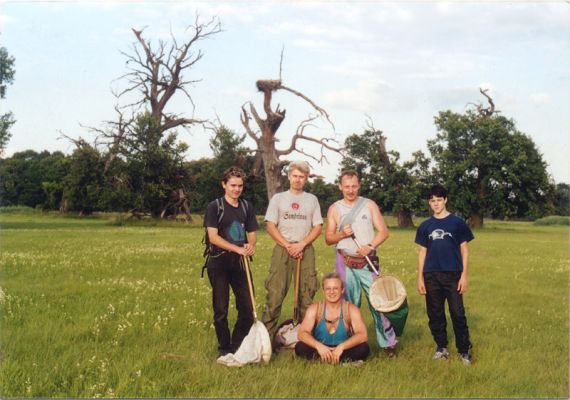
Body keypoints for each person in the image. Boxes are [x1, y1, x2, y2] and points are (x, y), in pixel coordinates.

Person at [324, 170, 398, 357]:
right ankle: (347, 344)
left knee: (379, 303)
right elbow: (328, 238)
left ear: (359, 186)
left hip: (367, 262)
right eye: (346, 186)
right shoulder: (334, 208)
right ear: (340, 187)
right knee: (347, 305)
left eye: (354, 186)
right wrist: (342, 234)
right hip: (345, 262)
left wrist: (370, 245)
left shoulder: (369, 205)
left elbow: (383, 232)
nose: (350, 190)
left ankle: (388, 344)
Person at [261, 161, 323, 339]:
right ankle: (266, 341)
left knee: (307, 294)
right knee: (275, 295)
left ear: (306, 179)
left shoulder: (312, 200)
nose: (297, 180)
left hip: (305, 249)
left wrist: (302, 244)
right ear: (289, 176)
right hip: (283, 248)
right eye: (295, 176)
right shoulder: (278, 199)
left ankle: (305, 341)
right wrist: (288, 245)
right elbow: (270, 225)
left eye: (301, 177)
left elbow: (318, 226)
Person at [415, 184, 474, 365]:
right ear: (429, 203)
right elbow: (422, 252)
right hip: (431, 275)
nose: (436, 204)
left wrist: (464, 275)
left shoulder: (457, 223)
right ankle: (441, 348)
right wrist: (420, 278)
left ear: (445, 200)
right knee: (435, 314)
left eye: (439, 200)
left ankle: (464, 351)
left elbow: (464, 250)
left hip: (453, 275)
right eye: (432, 201)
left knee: (457, 313)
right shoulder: (425, 226)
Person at [204, 167, 258, 357]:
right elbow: (213, 237)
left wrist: (250, 246)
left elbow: (252, 234)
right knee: (221, 310)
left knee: (248, 307)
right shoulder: (214, 206)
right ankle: (224, 349)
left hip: (240, 263)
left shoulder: (246, 206)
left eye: (240, 186)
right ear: (224, 185)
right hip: (219, 262)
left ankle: (236, 346)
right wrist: (237, 248)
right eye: (233, 185)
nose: (237, 189)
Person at [295, 272, 370, 364]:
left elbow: (363, 335)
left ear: (342, 290)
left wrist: (341, 347)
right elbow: (302, 333)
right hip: (321, 348)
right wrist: (319, 346)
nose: (331, 292)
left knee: (364, 348)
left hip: (343, 349)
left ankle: (326, 360)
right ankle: (340, 361)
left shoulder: (351, 309)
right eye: (328, 289)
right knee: (300, 347)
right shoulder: (314, 308)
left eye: (335, 288)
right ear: (323, 291)